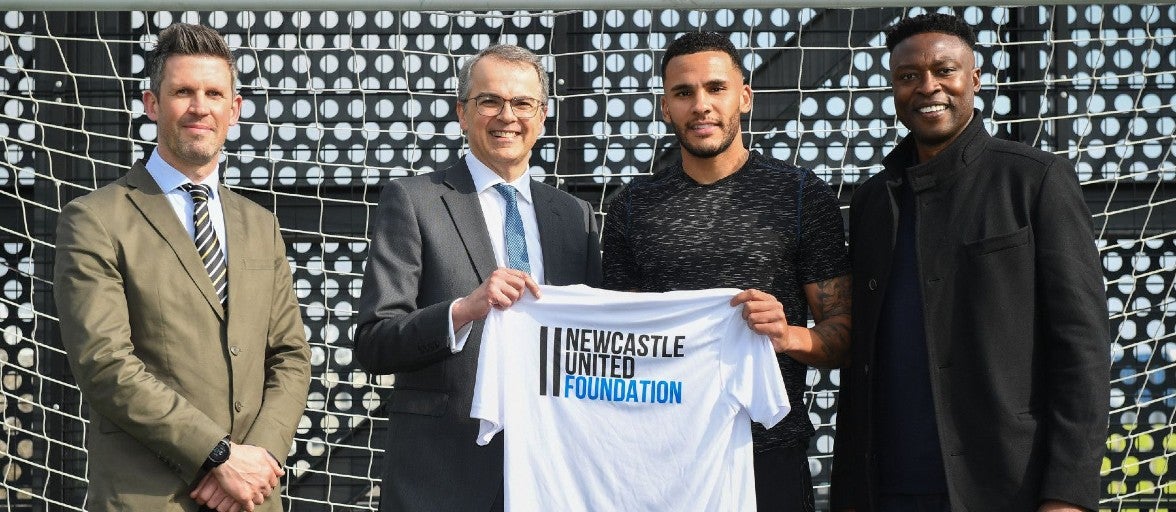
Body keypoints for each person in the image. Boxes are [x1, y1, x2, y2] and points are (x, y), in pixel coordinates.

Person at [830, 13, 1109, 512]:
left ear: (974, 80)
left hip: (1005, 487)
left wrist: (1068, 495)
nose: (927, 87)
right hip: (885, 489)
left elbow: (1083, 350)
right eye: (908, 76)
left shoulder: (1035, 181)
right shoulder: (872, 201)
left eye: (944, 70)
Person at [53, 23, 311, 512]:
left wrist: (258, 457)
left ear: (234, 110)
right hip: (149, 498)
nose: (200, 107)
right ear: (152, 104)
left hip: (253, 497)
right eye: (182, 92)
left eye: (214, 93)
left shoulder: (260, 225)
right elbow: (105, 364)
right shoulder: (95, 219)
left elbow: (291, 356)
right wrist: (215, 456)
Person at [601, 31, 852, 511]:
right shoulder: (632, 207)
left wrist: (788, 336)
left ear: (745, 96)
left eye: (716, 88)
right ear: (664, 108)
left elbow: (844, 334)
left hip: (770, 454)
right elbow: (619, 346)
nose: (701, 105)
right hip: (661, 457)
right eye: (683, 92)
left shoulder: (800, 194)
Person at [354, 44, 602, 511]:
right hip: (444, 478)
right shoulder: (413, 200)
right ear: (462, 114)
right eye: (489, 101)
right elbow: (374, 342)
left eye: (522, 103)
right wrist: (464, 310)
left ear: (543, 117)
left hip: (554, 474)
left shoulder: (575, 217)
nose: (507, 115)